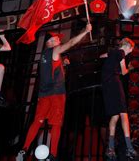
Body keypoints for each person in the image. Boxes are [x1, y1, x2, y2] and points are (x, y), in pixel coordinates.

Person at [16, 24, 92, 161]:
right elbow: (71, 43)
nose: (59, 41)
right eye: (57, 39)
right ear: (49, 42)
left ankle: (24, 149)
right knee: (56, 124)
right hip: (57, 94)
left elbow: (52, 71)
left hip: (44, 95)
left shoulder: (45, 55)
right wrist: (85, 32)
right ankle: (53, 155)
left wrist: (63, 65)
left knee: (37, 122)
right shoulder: (55, 51)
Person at [101, 38, 138, 160]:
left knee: (115, 116)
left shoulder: (112, 52)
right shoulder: (121, 53)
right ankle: (129, 148)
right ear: (127, 47)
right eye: (130, 50)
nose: (129, 53)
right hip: (114, 83)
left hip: (106, 84)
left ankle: (110, 148)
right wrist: (130, 68)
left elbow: (102, 56)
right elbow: (123, 72)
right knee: (124, 114)